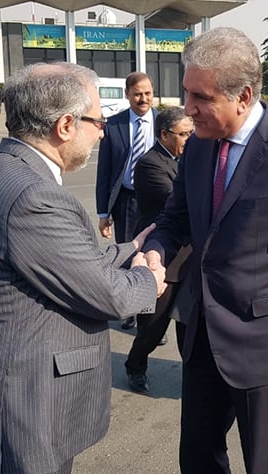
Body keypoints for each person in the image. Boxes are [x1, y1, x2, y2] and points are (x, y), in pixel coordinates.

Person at [143, 27, 268, 474]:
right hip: (201, 339)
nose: (188, 108)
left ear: (244, 96)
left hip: (264, 349)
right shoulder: (196, 145)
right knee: (196, 459)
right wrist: (155, 251)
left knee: (264, 469)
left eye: (201, 97)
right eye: (186, 93)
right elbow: (175, 218)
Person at [0, 62, 166, 474]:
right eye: (98, 121)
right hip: (25, 414)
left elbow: (64, 267)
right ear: (66, 125)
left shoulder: (3, 174)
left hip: (14, 401)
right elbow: (108, 296)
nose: (103, 131)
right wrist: (148, 280)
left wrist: (130, 248)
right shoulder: (34, 196)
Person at [125, 106, 194, 395]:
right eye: (183, 134)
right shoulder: (150, 164)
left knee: (189, 326)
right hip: (162, 259)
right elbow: (175, 203)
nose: (189, 139)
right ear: (164, 134)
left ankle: (192, 375)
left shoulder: (188, 159)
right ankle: (135, 366)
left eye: (192, 133)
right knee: (152, 327)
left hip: (190, 257)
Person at [95, 72, 158, 330]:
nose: (143, 99)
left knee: (153, 254)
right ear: (127, 95)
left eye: (148, 93)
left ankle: (150, 318)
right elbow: (104, 171)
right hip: (126, 201)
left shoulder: (164, 121)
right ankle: (130, 309)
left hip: (158, 201)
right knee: (129, 253)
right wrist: (103, 213)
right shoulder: (114, 125)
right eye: (138, 94)